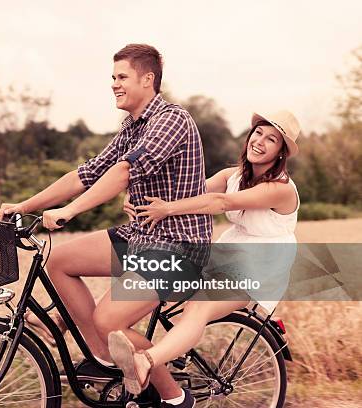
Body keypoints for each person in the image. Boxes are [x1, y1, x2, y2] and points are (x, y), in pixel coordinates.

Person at [0, 43, 212, 407]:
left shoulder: (172, 120)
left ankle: (175, 398)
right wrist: (26, 204)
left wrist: (71, 211)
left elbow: (125, 172)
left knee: (110, 319)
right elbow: (87, 173)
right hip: (142, 236)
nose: (114, 84)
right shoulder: (131, 126)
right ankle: (106, 359)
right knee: (60, 262)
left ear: (148, 79)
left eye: (122, 77)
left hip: (178, 247)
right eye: (112, 77)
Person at [108, 110, 302, 406]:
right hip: (226, 255)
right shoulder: (232, 176)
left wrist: (168, 210)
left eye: (271, 139)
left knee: (199, 305)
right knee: (152, 273)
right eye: (258, 133)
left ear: (280, 153)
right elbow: (184, 190)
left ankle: (147, 360)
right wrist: (137, 195)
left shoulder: (281, 189)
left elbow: (220, 202)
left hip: (260, 267)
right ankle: (78, 324)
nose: (260, 141)